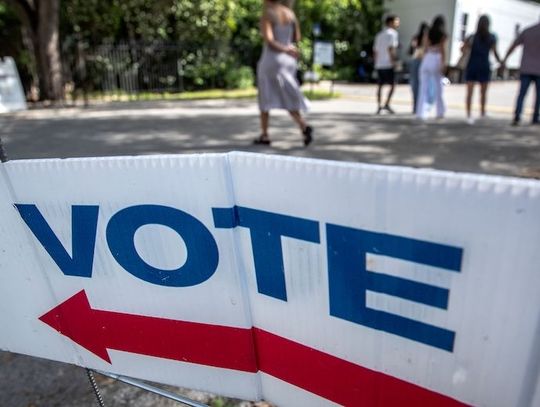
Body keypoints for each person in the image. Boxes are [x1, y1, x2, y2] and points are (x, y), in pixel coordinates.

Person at [254, 0, 313, 146]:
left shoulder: (267, 14)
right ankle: (303, 125)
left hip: (272, 59)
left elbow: (269, 40)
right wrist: (288, 48)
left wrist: (283, 49)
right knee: (286, 94)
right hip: (289, 60)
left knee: (265, 97)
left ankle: (265, 134)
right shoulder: (290, 13)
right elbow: (296, 37)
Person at [462, 15, 502, 125]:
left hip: (472, 65)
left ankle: (469, 114)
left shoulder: (472, 37)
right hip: (484, 65)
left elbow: (463, 50)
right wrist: (501, 62)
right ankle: (482, 112)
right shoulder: (492, 37)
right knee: (483, 92)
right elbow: (495, 52)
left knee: (470, 92)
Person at [502, 20, 540, 126]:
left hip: (526, 68)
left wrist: (505, 59)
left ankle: (517, 115)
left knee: (522, 94)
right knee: (538, 96)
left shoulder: (528, 31)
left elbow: (514, 45)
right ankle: (535, 117)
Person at [416, 15, 448, 120]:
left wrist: (424, 59)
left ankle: (421, 113)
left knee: (423, 88)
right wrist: (443, 64)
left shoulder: (428, 32)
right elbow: (442, 50)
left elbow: (425, 47)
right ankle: (440, 112)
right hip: (436, 58)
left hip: (428, 57)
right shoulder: (443, 34)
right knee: (439, 88)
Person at [373, 15, 400, 114]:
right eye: (396, 21)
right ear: (390, 22)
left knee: (380, 85)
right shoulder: (393, 34)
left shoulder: (379, 35)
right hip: (388, 64)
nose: (398, 23)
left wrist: (376, 63)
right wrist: (394, 62)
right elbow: (391, 49)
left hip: (379, 64)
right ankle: (387, 104)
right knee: (392, 85)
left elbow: (375, 51)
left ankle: (379, 106)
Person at [408, 22, 429, 114]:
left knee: (414, 84)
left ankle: (416, 106)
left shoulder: (415, 38)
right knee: (421, 85)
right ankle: (419, 106)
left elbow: (411, 50)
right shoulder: (427, 39)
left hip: (415, 60)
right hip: (422, 61)